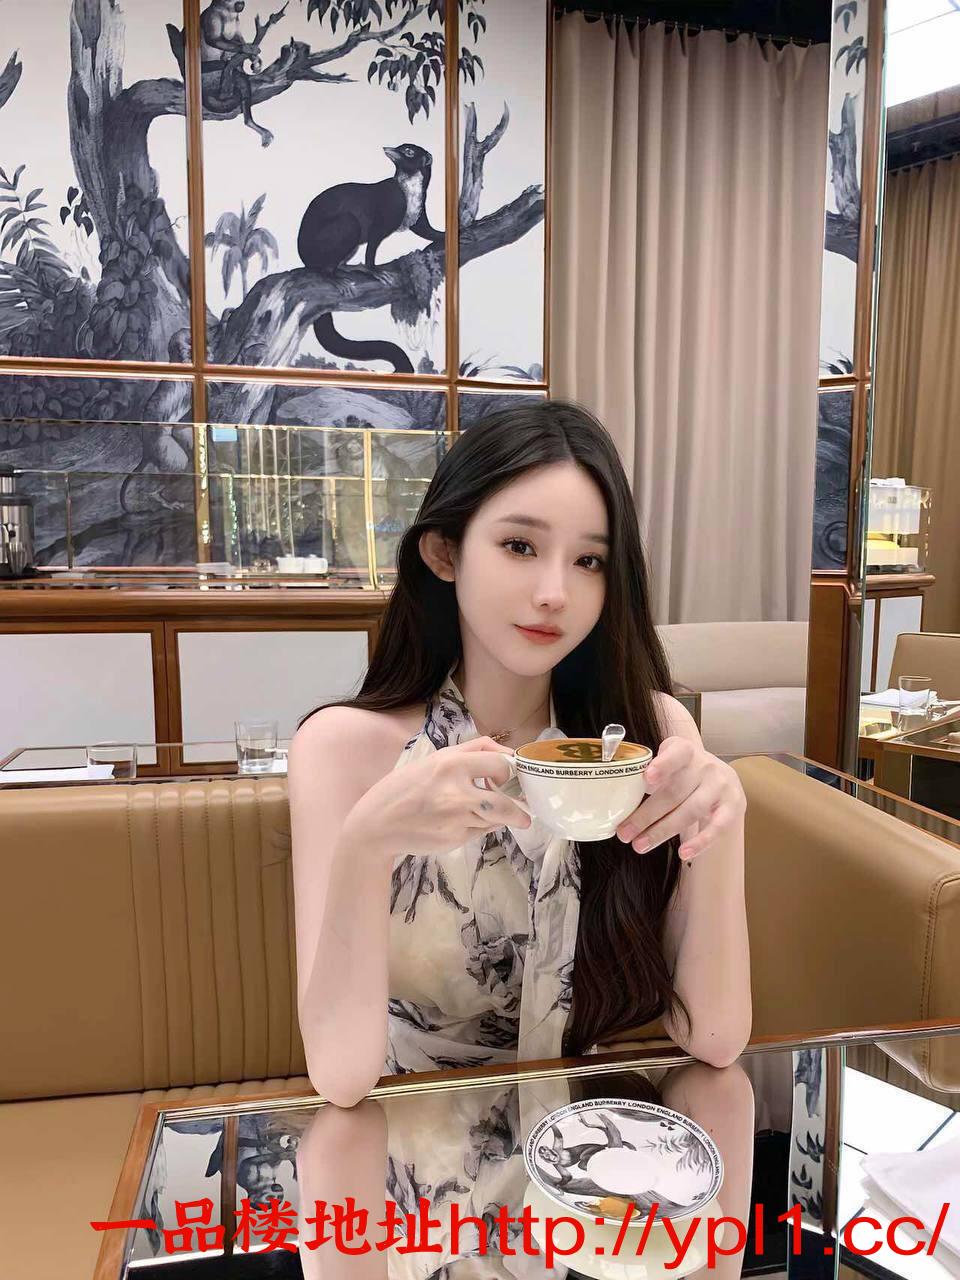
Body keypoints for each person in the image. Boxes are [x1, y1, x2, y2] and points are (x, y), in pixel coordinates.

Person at [289, 400, 751, 1109]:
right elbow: (340, 1076)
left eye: (589, 560)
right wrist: (365, 846)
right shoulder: (345, 750)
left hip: (592, 1145)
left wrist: (723, 828)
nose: (554, 594)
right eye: (519, 546)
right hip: (411, 1142)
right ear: (445, 553)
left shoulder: (649, 733)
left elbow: (715, 1039)